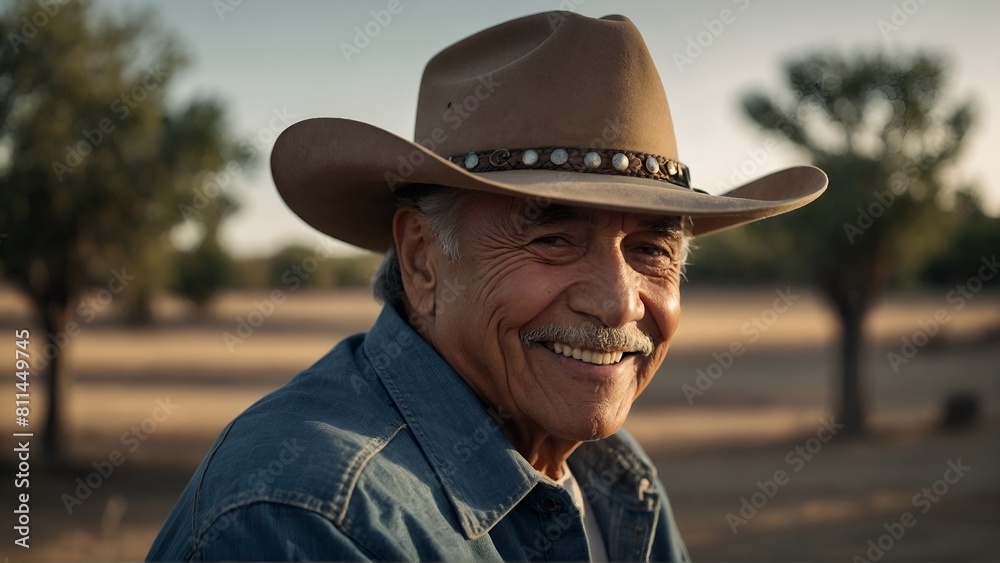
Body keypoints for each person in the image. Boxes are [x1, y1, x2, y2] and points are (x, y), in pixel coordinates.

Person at [148, 10, 826, 562]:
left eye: (651, 248)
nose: (619, 301)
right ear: (422, 260)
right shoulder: (306, 517)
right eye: (553, 238)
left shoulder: (610, 471)